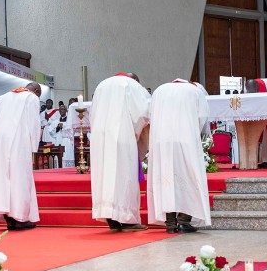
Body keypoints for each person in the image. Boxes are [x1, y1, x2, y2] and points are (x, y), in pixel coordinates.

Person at [147, 80, 211, 233]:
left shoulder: (159, 90)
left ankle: (170, 223)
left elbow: (150, 115)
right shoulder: (194, 91)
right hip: (186, 139)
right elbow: (202, 116)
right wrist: (198, 133)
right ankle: (183, 221)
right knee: (189, 178)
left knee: (166, 181)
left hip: (162, 141)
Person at [90, 73, 151, 231]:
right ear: (135, 80)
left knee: (105, 177)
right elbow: (143, 113)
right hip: (122, 135)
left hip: (100, 136)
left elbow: (93, 113)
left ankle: (111, 218)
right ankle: (128, 219)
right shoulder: (131, 85)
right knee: (124, 176)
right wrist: (138, 133)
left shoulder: (102, 85)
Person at [0, 83, 42, 230]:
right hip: (18, 140)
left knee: (2, 179)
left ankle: (8, 218)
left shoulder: (3, 97)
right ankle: (20, 218)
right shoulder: (31, 97)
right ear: (36, 91)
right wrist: (34, 146)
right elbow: (34, 123)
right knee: (20, 178)